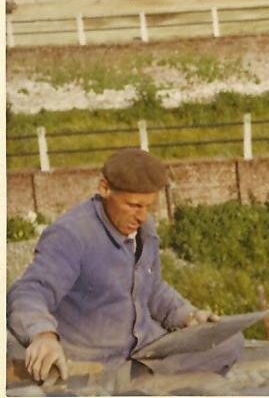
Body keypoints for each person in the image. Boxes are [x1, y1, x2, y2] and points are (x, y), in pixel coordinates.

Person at [7, 148, 244, 385]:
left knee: (229, 341)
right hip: (96, 359)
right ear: (104, 189)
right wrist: (43, 336)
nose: (142, 216)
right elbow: (29, 292)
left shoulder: (143, 229)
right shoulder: (71, 235)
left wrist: (188, 316)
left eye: (148, 207)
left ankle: (144, 380)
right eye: (134, 205)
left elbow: (152, 288)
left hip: (143, 351)